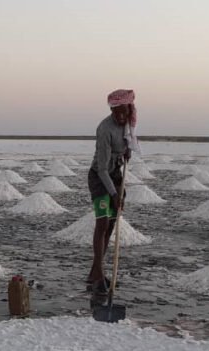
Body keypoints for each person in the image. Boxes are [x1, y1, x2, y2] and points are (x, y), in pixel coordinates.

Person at [86, 89, 138, 295]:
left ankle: (94, 272)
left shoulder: (127, 125)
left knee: (111, 224)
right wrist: (114, 195)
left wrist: (127, 151)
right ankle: (99, 274)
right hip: (100, 178)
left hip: (116, 174)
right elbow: (101, 169)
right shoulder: (104, 129)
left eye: (123, 111)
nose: (120, 115)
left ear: (130, 108)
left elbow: (127, 143)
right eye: (116, 111)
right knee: (102, 222)